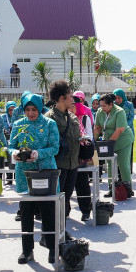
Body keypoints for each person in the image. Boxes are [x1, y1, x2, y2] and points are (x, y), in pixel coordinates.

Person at [9, 92, 60, 264]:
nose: (31, 113)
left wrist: (38, 154)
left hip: (45, 173)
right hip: (25, 175)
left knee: (48, 213)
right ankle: (27, 250)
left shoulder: (49, 124)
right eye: (27, 109)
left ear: (40, 109)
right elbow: (10, 146)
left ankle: (53, 249)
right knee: (26, 213)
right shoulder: (18, 125)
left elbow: (55, 148)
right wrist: (14, 153)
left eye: (34, 109)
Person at [46, 80, 81, 218]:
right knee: (57, 197)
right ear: (62, 98)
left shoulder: (71, 116)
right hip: (58, 164)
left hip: (73, 163)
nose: (73, 99)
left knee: (67, 196)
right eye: (70, 96)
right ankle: (56, 229)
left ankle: (62, 226)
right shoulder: (49, 118)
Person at [94, 93, 135, 198]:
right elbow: (97, 127)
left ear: (111, 105)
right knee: (110, 165)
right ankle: (111, 188)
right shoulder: (100, 112)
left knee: (123, 164)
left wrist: (109, 144)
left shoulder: (119, 112)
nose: (101, 108)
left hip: (123, 140)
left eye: (104, 106)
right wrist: (92, 141)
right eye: (101, 105)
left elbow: (119, 130)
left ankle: (127, 188)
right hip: (109, 141)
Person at [71, 94, 94, 221]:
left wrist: (81, 139)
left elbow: (90, 136)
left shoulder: (85, 118)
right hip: (67, 157)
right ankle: (65, 212)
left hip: (80, 156)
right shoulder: (64, 119)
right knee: (66, 186)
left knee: (82, 184)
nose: (71, 109)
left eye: (74, 106)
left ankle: (85, 211)